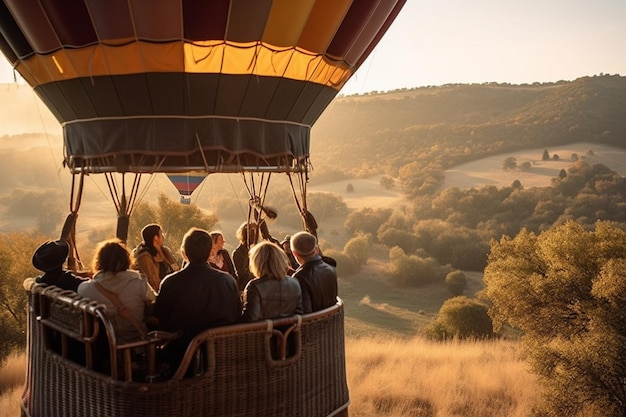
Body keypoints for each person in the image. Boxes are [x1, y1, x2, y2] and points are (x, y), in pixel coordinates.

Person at [153, 228, 240, 369]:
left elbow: (160, 319)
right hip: (223, 354)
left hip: (181, 359)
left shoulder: (171, 282)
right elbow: (236, 315)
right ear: (210, 253)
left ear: (184, 253)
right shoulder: (228, 281)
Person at [78, 239, 156, 344]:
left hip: (103, 347)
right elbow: (154, 303)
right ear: (127, 260)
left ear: (99, 261)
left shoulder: (85, 289)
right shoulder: (140, 284)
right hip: (137, 342)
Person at [241, 241, 302, 322]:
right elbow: (300, 314)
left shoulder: (254, 286)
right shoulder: (295, 283)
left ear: (257, 263)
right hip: (291, 333)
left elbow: (250, 319)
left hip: (265, 333)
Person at [290, 231, 338, 313]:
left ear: (294, 253)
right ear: (316, 249)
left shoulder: (299, 278)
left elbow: (306, 313)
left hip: (315, 325)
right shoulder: (331, 268)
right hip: (332, 322)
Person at [132, 224, 178, 292]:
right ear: (156, 237)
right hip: (160, 293)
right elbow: (151, 280)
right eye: (161, 233)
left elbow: (175, 268)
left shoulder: (165, 251)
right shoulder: (145, 257)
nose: (163, 236)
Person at [231, 222, 257, 292]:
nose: (255, 236)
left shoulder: (257, 250)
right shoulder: (237, 253)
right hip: (245, 288)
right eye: (252, 233)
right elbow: (242, 273)